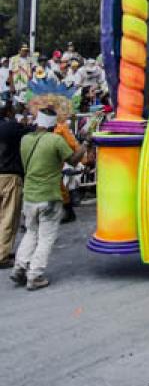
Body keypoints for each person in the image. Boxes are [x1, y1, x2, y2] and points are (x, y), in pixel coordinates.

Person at [10, 107, 90, 290]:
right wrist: (85, 143)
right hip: (49, 196)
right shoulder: (55, 140)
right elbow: (73, 159)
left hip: (29, 195)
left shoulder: (25, 140)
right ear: (53, 125)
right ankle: (35, 275)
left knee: (31, 232)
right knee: (46, 237)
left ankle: (20, 267)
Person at [0, 100, 35, 267]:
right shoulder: (10, 127)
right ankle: (2, 255)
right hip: (9, 176)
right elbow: (33, 130)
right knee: (8, 217)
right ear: (8, 112)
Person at [8, 45, 33, 109]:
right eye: (24, 50)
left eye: (26, 50)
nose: (25, 52)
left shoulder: (30, 59)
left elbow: (33, 71)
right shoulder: (13, 59)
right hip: (16, 86)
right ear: (19, 51)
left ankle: (24, 117)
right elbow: (10, 73)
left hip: (27, 86)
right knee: (15, 106)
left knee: (27, 104)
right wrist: (11, 86)